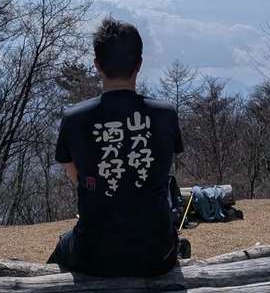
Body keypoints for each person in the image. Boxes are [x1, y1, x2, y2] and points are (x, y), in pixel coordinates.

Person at [47, 17, 184, 277]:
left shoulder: (74, 118)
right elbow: (164, 165)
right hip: (157, 253)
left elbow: (76, 176)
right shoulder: (166, 114)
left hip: (92, 253)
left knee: (63, 246)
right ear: (139, 64)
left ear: (97, 65)